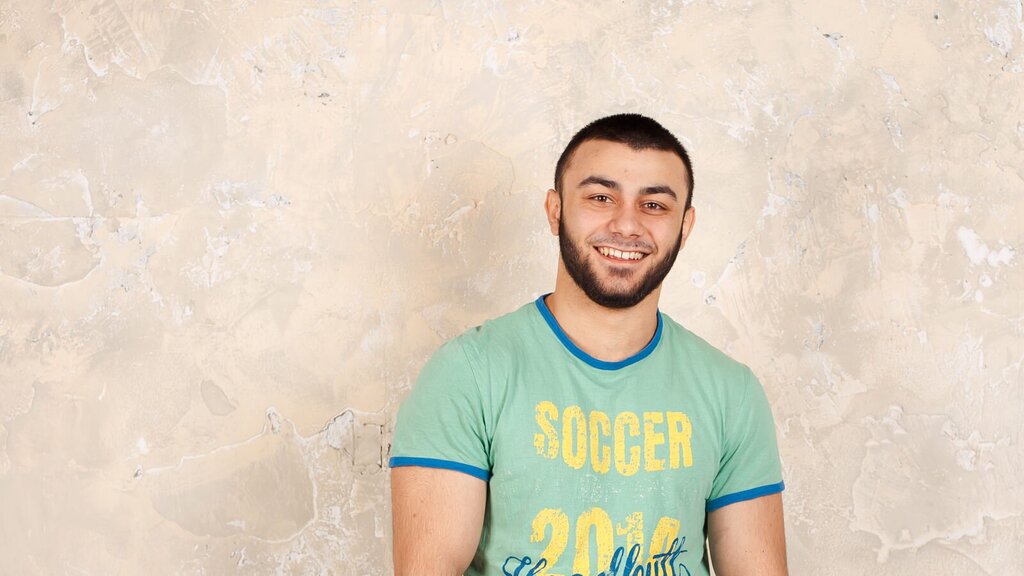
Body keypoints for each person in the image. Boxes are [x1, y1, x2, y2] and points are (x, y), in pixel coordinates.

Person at [390, 114, 787, 576]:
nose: (627, 224)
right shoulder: (468, 373)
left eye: (654, 205)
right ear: (555, 211)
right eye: (601, 197)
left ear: (685, 226)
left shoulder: (732, 392)